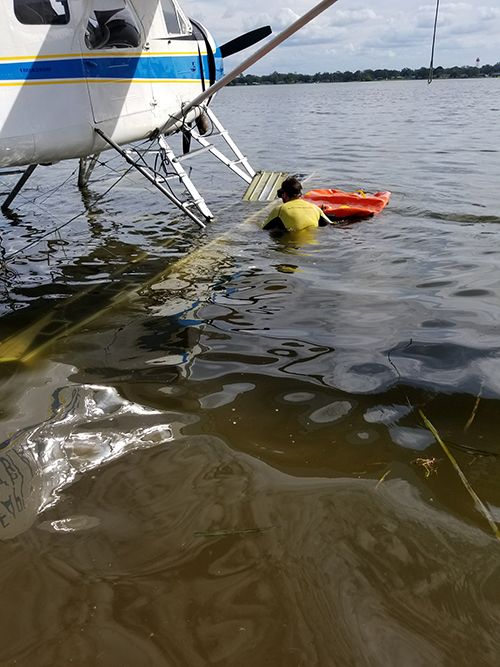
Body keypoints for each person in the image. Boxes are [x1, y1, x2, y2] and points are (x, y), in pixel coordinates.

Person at [262, 177, 331, 232]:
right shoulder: (315, 208)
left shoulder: (279, 210)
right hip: (313, 247)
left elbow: (264, 229)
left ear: (285, 195)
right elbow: (330, 225)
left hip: (290, 246)